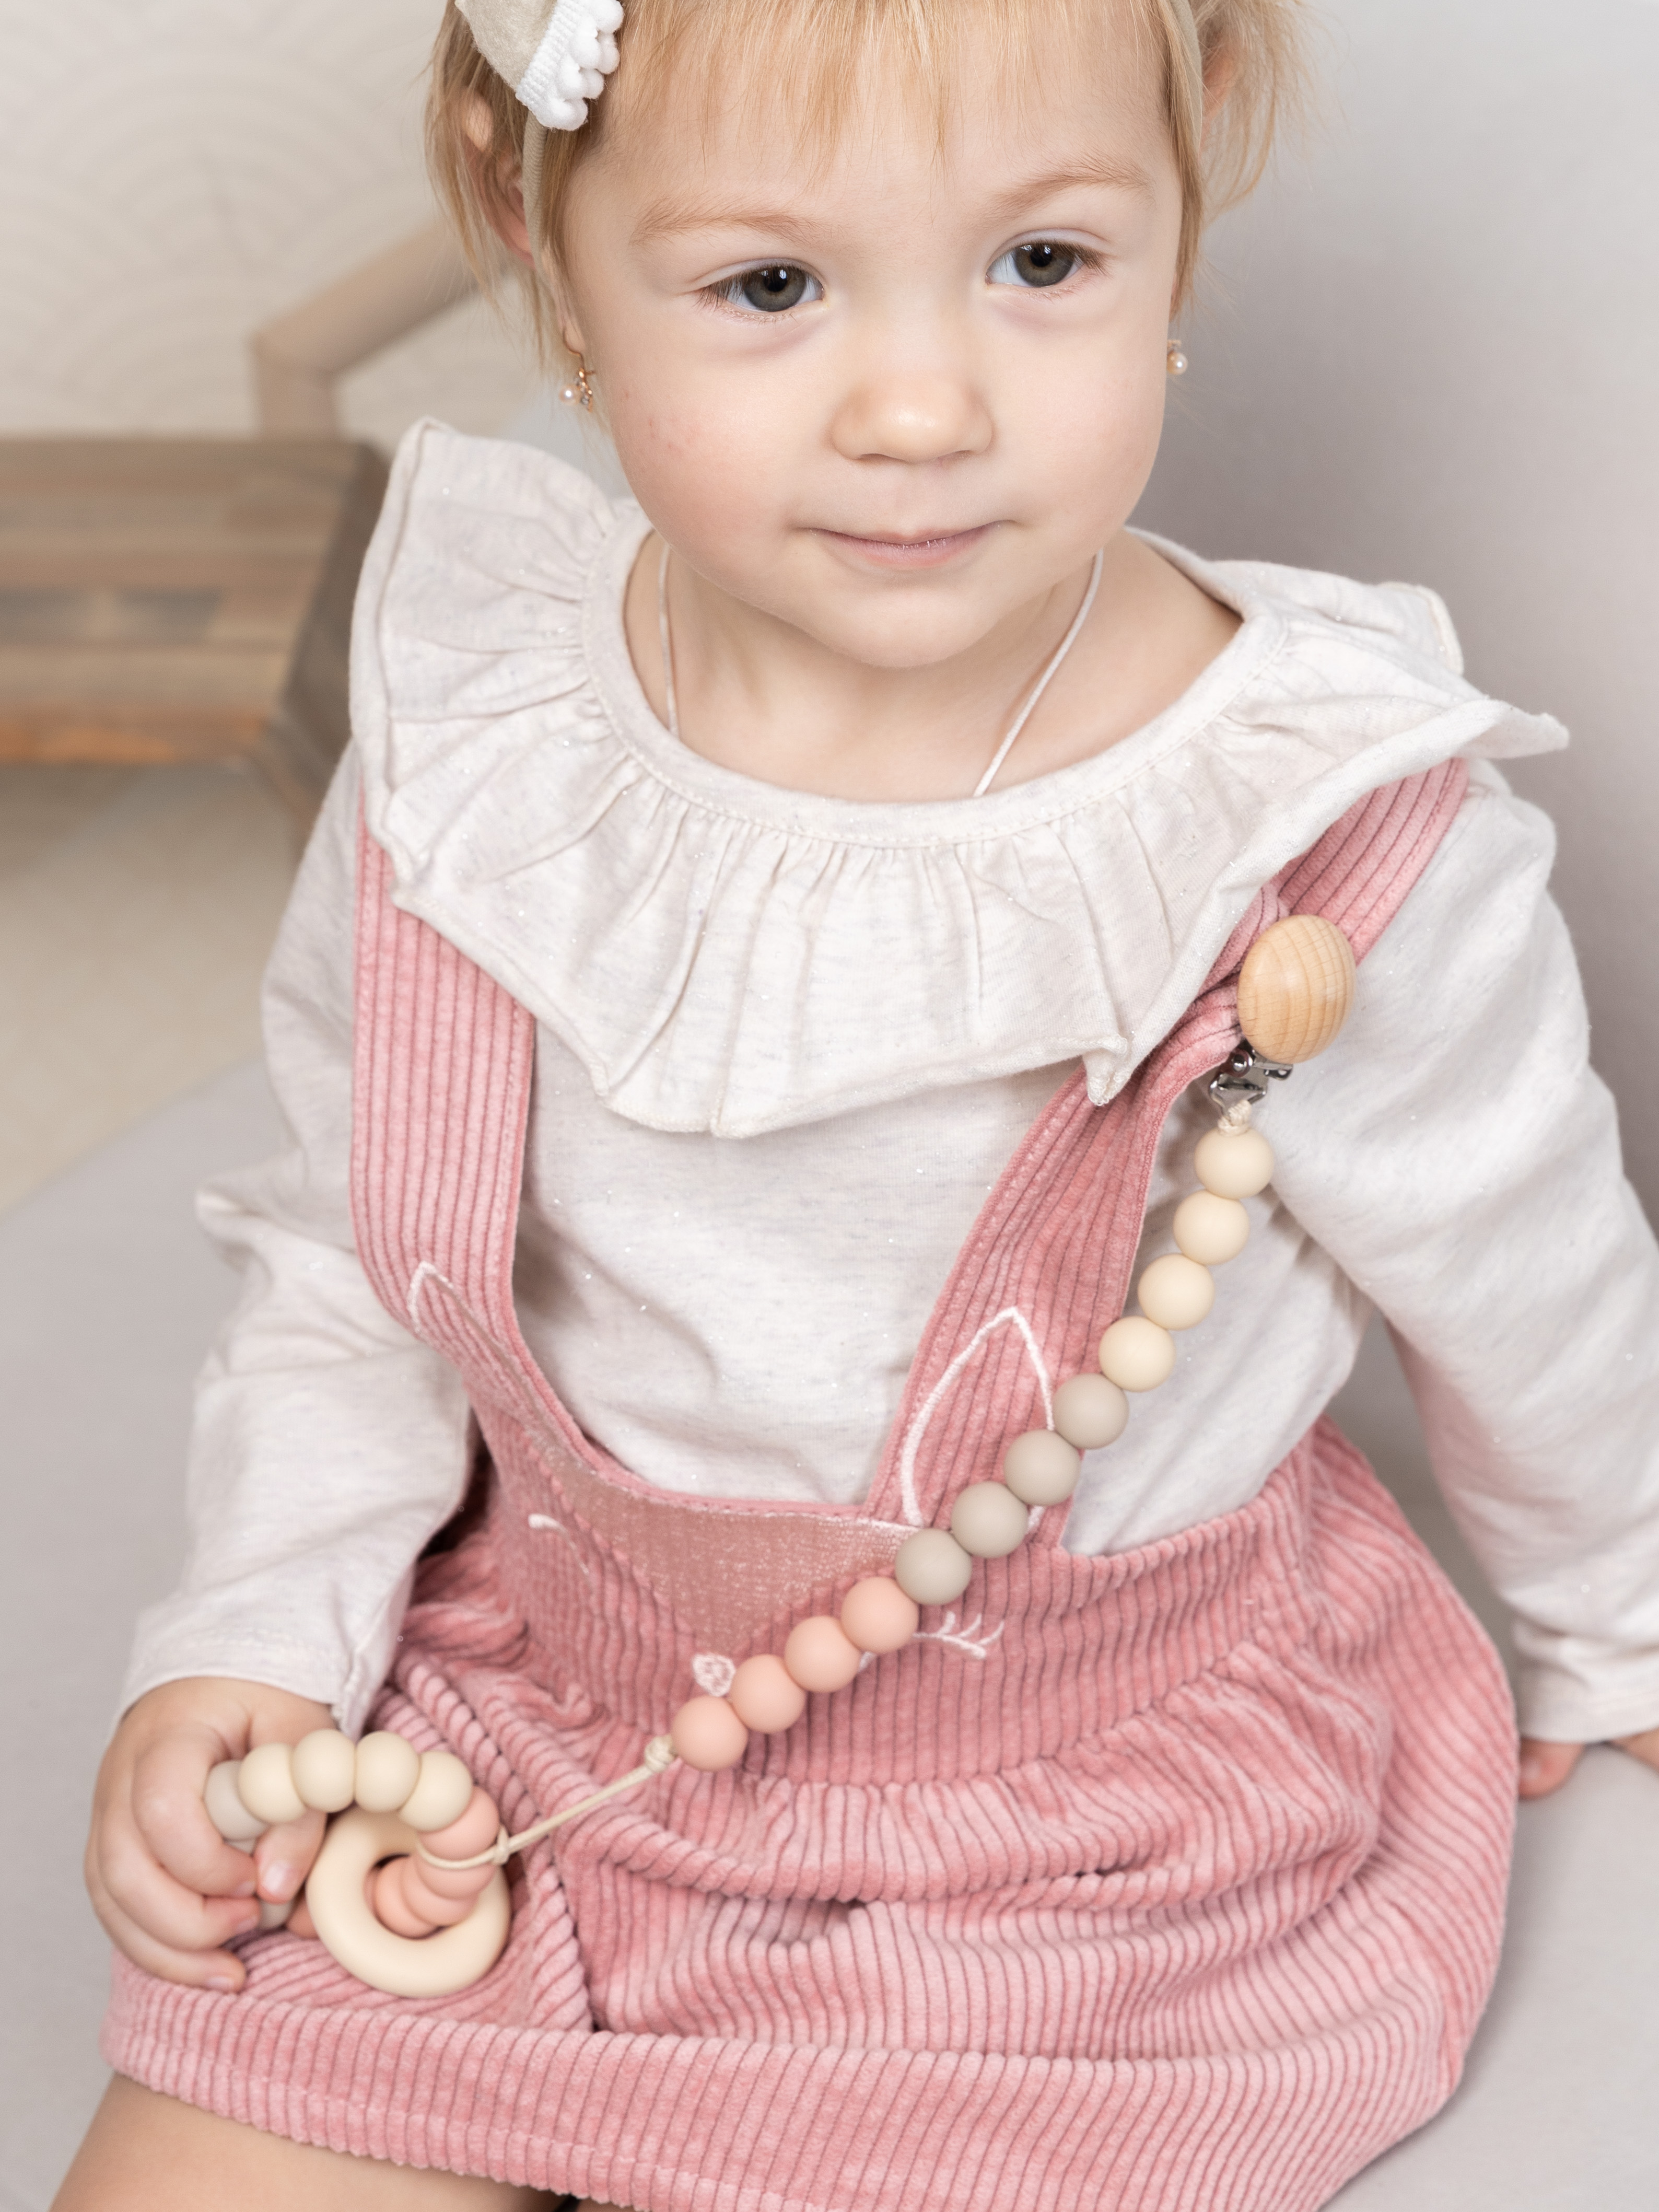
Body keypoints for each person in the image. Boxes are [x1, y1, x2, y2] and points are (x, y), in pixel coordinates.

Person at [54, 0, 1659, 2206]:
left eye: (1039, 264)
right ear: (543, 244)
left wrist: (1615, 1608)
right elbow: (360, 1253)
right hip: (532, 1716)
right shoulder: (485, 739)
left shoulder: (1301, 829)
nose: (922, 409)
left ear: (1181, 193)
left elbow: (1529, 1268)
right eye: (768, 288)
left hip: (1083, 1828)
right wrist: (249, 1642)